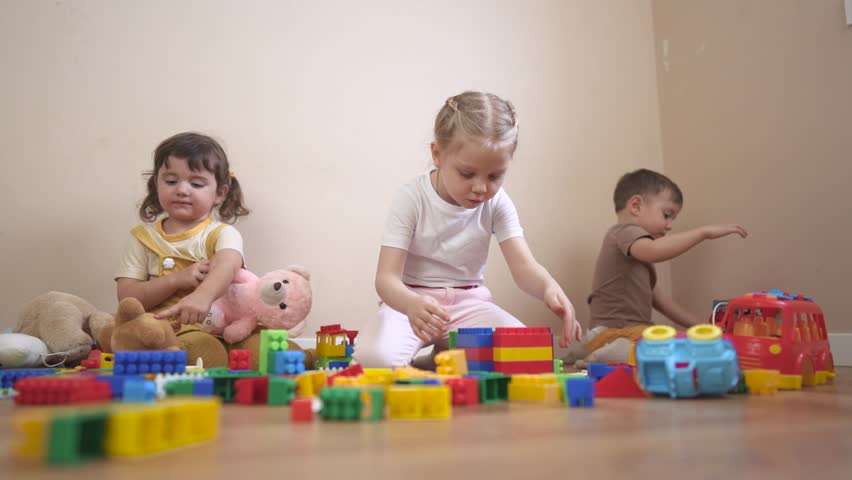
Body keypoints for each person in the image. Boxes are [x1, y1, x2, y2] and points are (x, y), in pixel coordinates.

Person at [353, 91, 582, 368]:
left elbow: (524, 267)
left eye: (495, 176)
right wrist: (412, 304)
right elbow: (386, 279)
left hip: (469, 307)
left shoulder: (497, 202)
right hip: (411, 306)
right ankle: (441, 357)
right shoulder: (411, 198)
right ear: (437, 154)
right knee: (374, 359)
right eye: (467, 173)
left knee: (529, 354)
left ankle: (442, 358)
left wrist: (549, 288)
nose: (481, 188)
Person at [566, 168, 747, 366]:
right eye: (667, 215)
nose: (669, 225)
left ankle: (603, 352)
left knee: (679, 341)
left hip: (625, 333)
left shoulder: (637, 253)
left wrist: (703, 327)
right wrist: (703, 233)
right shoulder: (624, 233)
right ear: (635, 206)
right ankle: (605, 355)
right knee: (671, 346)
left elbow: (664, 303)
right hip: (614, 332)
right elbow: (654, 250)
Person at [114, 132, 250, 367]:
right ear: (155, 183)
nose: (182, 190)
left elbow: (227, 265)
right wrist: (176, 280)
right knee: (121, 332)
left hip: (207, 329)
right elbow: (127, 297)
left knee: (215, 348)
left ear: (220, 193)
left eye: (196, 183)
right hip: (154, 328)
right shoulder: (143, 238)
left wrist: (202, 296)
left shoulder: (222, 234)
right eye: (170, 181)